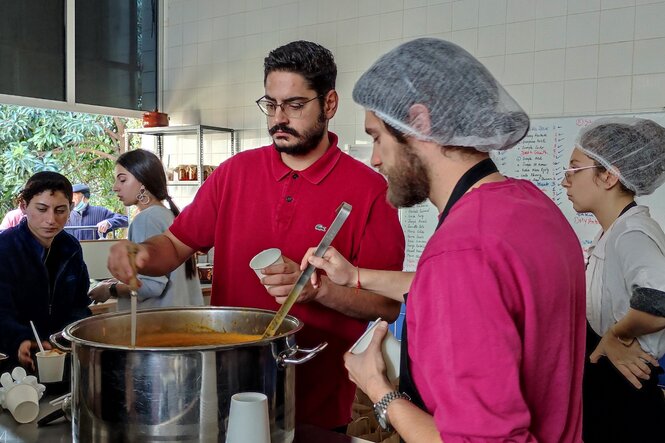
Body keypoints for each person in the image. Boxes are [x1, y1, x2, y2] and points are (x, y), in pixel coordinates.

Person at [106, 40, 405, 429]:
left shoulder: (370, 191)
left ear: (329, 104)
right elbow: (175, 245)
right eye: (271, 104)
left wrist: (320, 291)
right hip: (224, 391)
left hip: (315, 402)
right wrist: (139, 254)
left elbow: (386, 306)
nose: (279, 118)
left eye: (295, 105)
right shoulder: (234, 174)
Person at [303, 38, 586, 442]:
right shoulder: (531, 207)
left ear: (419, 123)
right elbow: (479, 290)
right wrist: (355, 276)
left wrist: (379, 390)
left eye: (377, 137)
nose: (375, 159)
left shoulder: (461, 251)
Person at [561, 118, 665, 442]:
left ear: (608, 175)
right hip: (610, 383)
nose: (566, 181)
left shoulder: (632, 232)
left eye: (574, 169)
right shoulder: (613, 231)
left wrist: (614, 336)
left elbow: (658, 301)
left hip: (627, 387)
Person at [89, 149, 203, 310]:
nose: (115, 187)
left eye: (122, 180)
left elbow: (151, 286)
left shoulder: (147, 219)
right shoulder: (168, 214)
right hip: (182, 322)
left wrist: (110, 290)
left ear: (143, 183)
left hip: (159, 327)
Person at [0, 171, 91, 370]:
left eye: (60, 210)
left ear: (71, 208)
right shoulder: (5, 248)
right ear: (23, 206)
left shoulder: (71, 248)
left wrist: (67, 337)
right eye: (42, 209)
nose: (51, 220)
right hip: (14, 362)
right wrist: (19, 339)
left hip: (62, 357)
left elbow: (79, 304)